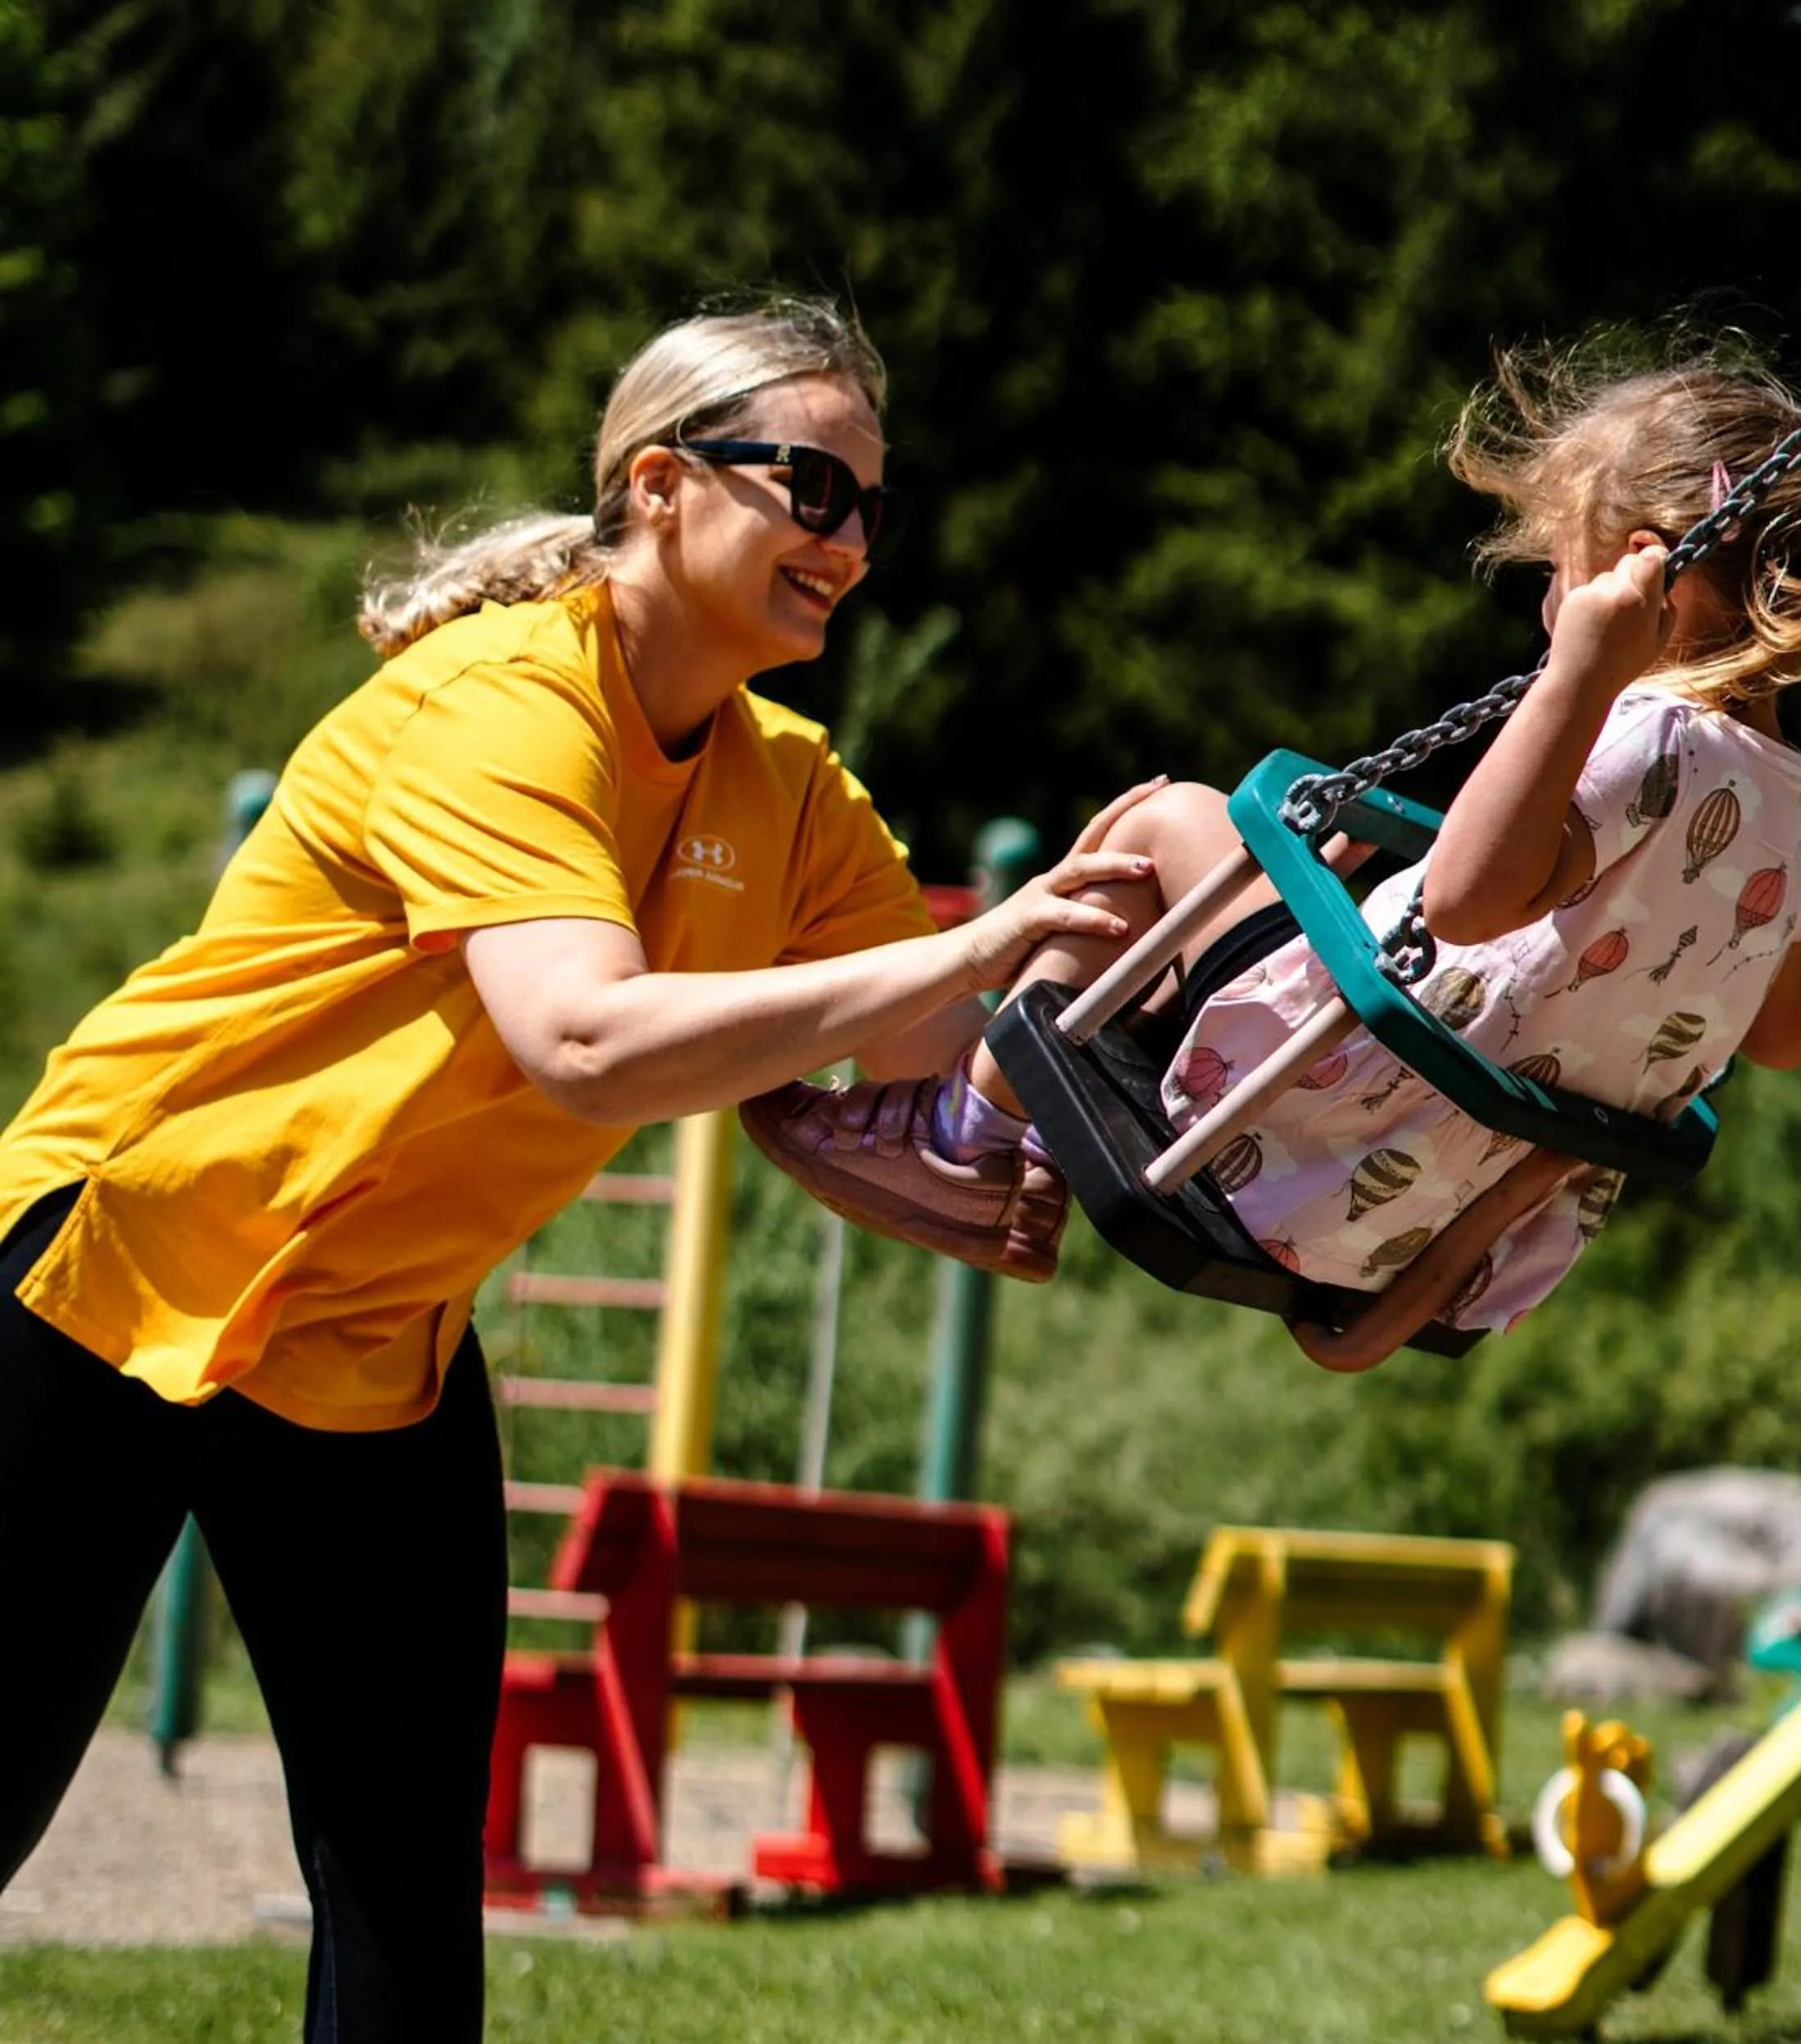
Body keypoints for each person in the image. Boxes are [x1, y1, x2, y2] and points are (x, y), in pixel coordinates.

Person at [0, 296, 1150, 2042]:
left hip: (374, 1338)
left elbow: (941, 1050)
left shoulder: (789, 788)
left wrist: (1146, 941)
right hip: (125, 1262)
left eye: (873, 505)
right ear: (661, 484)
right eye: (812, 488)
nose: (850, 540)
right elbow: (584, 1037)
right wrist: (970, 944)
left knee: (402, 1880)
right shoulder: (505, 698)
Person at [744, 340, 1801, 1370]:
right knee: (1278, 874)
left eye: (1560, 569)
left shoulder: (1645, 732)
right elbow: (1796, 1023)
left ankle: (969, 1139)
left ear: (1648, 573)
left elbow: (1471, 899)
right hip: (1442, 1236)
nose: (1547, 605)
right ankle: (1005, 1138)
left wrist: (1579, 675)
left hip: (1302, 1128)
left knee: (1165, 821)